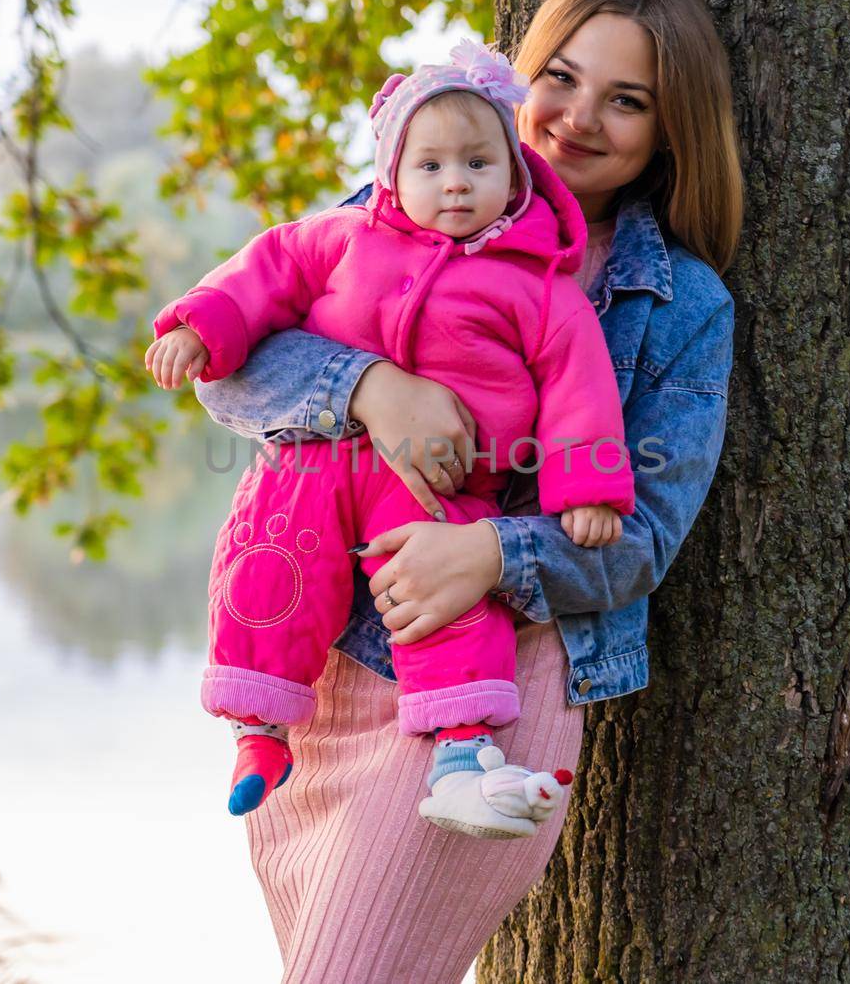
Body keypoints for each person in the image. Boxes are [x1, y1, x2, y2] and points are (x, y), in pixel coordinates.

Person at [194, 0, 741, 984]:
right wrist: (369, 389)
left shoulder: (680, 303)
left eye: (627, 101)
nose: (579, 118)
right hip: (329, 656)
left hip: (493, 685)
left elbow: (643, 536)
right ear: (521, 75)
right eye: (563, 78)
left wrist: (488, 550)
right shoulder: (399, 200)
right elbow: (228, 372)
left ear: (670, 132)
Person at [145, 41, 634, 837]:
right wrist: (202, 326)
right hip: (318, 456)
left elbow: (581, 388)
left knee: (445, 597)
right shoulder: (349, 237)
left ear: (514, 174)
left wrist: (587, 488)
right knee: (275, 551)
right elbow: (264, 272)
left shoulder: (537, 287)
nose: (454, 184)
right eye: (431, 166)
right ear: (392, 175)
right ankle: (259, 726)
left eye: (478, 164)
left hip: (441, 482)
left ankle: (463, 754)